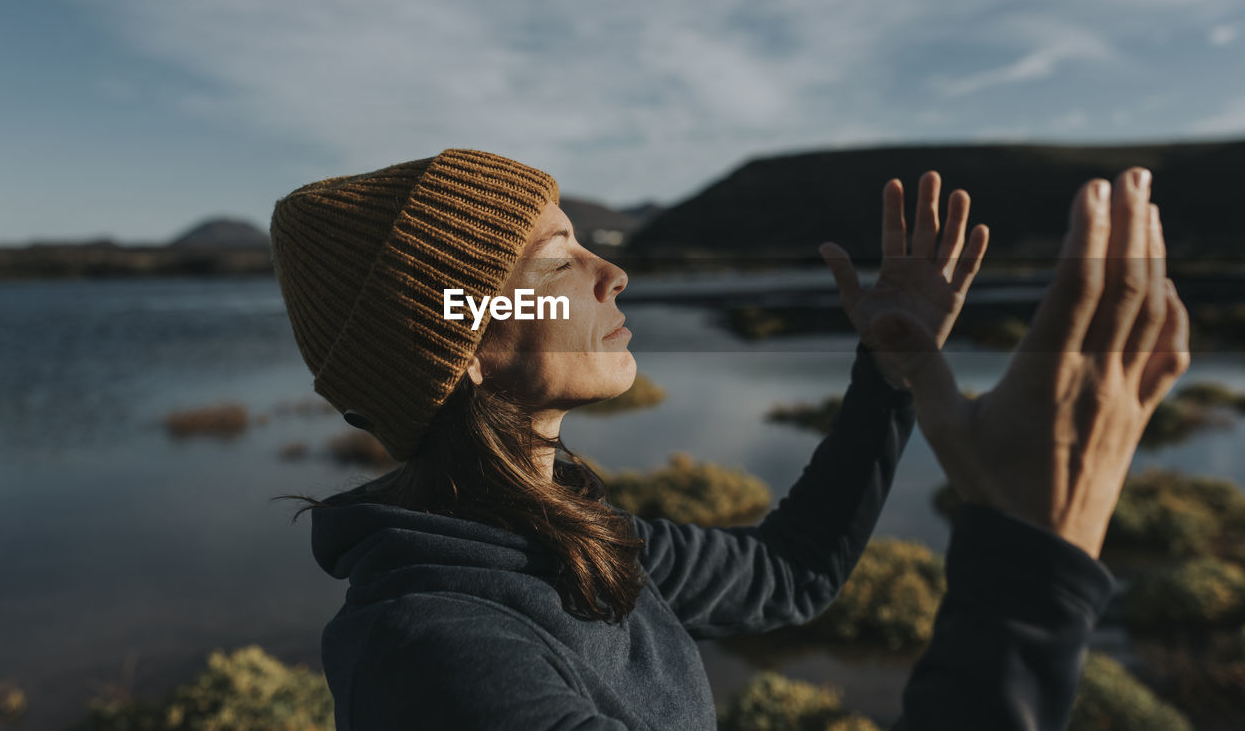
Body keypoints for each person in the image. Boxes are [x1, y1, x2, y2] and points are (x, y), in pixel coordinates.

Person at [269, 150, 1188, 730]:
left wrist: (887, 370)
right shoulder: (437, 652)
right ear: (460, 348)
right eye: (556, 261)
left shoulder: (572, 539)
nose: (613, 271)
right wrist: (1031, 564)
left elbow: (791, 570)